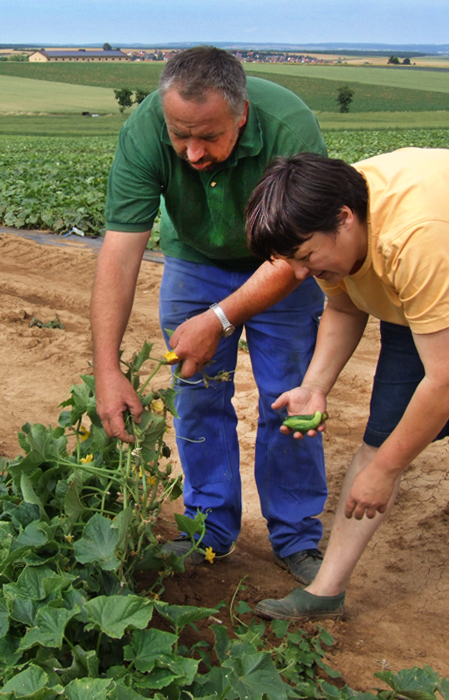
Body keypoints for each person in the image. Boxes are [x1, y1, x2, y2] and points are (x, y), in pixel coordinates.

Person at [243, 148, 449, 681]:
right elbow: (345, 305)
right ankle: (325, 590)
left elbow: (447, 378)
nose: (304, 272)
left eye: (308, 258)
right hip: (442, 275)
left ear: (346, 219)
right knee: (381, 437)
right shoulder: (327, 231)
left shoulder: (411, 238)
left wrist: (386, 472)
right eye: (297, 262)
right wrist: (315, 387)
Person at [91, 46, 329, 585]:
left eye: (209, 136)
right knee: (197, 398)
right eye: (181, 135)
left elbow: (300, 254)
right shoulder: (146, 127)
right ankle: (209, 531)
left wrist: (220, 318)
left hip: (281, 264)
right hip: (196, 261)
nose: (193, 153)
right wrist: (107, 367)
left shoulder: (289, 127)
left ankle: (295, 536)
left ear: (241, 115)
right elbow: (121, 251)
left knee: (288, 399)